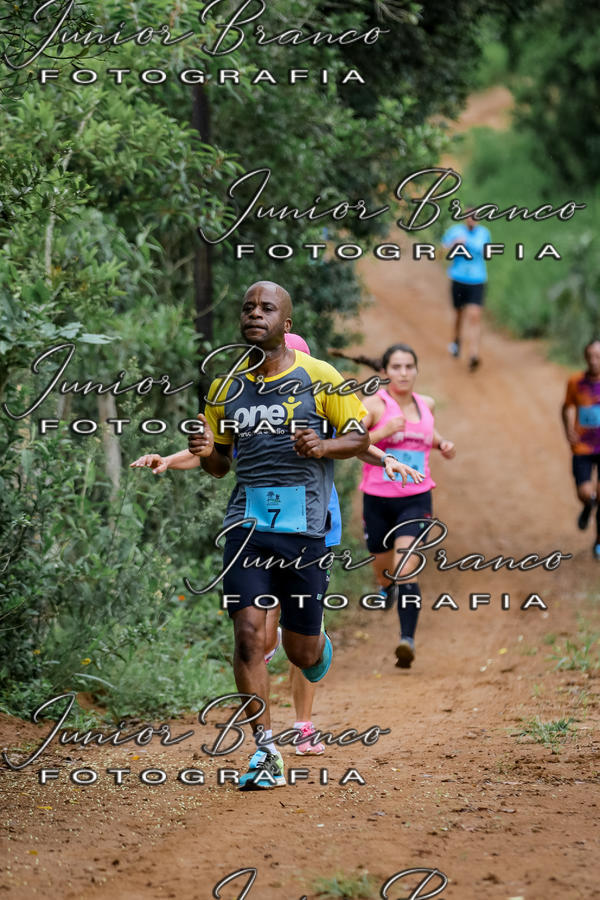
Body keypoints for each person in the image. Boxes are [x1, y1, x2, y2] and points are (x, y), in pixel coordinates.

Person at [131, 282, 416, 790]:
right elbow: (218, 466)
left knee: (301, 654)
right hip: (247, 526)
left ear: (286, 324)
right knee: (247, 638)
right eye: (247, 307)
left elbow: (360, 438)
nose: (254, 313)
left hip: (305, 530)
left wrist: (323, 447)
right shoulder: (225, 389)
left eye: (266, 308)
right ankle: (265, 751)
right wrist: (204, 448)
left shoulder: (320, 377)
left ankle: (316, 642)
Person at [262, 333, 421, 755]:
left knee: (306, 632)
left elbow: (358, 441)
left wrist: (385, 456)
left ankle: (303, 725)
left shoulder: (325, 402)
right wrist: (174, 459)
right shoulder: (252, 405)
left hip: (316, 530)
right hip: (262, 528)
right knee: (260, 632)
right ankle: (262, 729)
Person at [341, 344, 455, 668]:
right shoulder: (374, 405)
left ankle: (406, 640)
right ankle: (385, 586)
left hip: (416, 499)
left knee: (407, 568)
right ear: (384, 372)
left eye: (409, 366)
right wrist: (384, 431)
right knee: (384, 569)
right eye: (397, 367)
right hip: (378, 500)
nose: (404, 373)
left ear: (417, 371)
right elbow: (352, 443)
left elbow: (425, 433)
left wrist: (442, 443)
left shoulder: (426, 404)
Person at [562, 339, 600, 559]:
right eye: (591, 356)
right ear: (585, 357)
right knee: (585, 493)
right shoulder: (575, 382)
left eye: (598, 357)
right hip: (583, 447)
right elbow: (566, 407)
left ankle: (598, 542)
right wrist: (568, 428)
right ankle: (588, 504)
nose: (594, 361)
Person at [442, 211, 491, 372]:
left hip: (477, 280)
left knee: (475, 316)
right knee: (459, 314)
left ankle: (473, 354)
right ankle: (456, 341)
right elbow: (441, 252)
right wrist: (455, 244)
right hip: (458, 279)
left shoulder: (484, 233)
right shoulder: (455, 232)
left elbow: (488, 253)